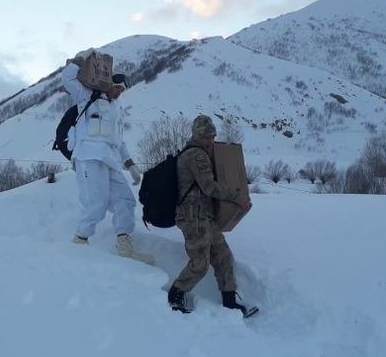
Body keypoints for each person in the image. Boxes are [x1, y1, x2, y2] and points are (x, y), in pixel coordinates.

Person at [61, 49, 154, 265]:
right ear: (108, 83)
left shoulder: (117, 109)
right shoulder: (86, 96)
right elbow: (67, 78)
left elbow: (118, 142)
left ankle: (124, 245)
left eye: (123, 90)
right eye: (117, 87)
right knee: (95, 203)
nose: (120, 92)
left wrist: (130, 164)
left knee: (125, 200)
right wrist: (80, 60)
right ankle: (79, 242)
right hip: (88, 156)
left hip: (111, 160)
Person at [168, 115, 258, 317]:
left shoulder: (196, 153)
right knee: (200, 264)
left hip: (205, 218)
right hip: (194, 218)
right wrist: (237, 197)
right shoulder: (196, 156)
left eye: (212, 136)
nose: (210, 141)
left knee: (223, 257)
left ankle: (229, 302)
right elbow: (209, 187)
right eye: (207, 137)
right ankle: (175, 295)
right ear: (197, 136)